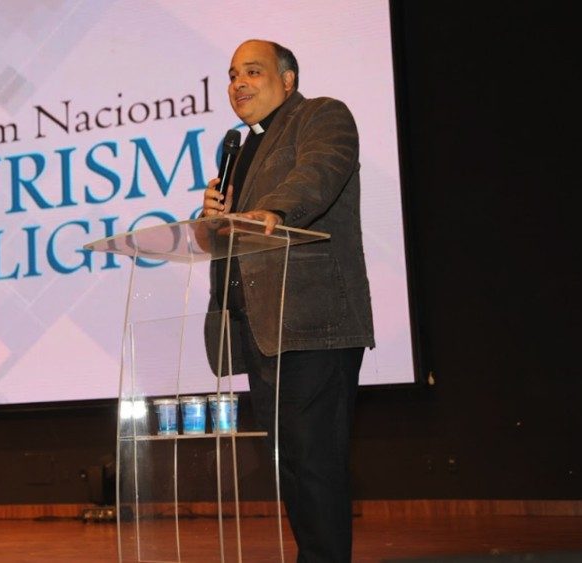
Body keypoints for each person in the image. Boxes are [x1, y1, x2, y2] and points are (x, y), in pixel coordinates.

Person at [202, 39, 375, 563]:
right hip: (263, 327)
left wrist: (274, 210)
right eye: (232, 74)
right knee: (293, 464)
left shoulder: (321, 116)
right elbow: (238, 233)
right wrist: (213, 221)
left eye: (252, 71)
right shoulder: (240, 150)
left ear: (288, 79)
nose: (238, 83)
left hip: (312, 320)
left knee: (314, 461)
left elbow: (319, 173)